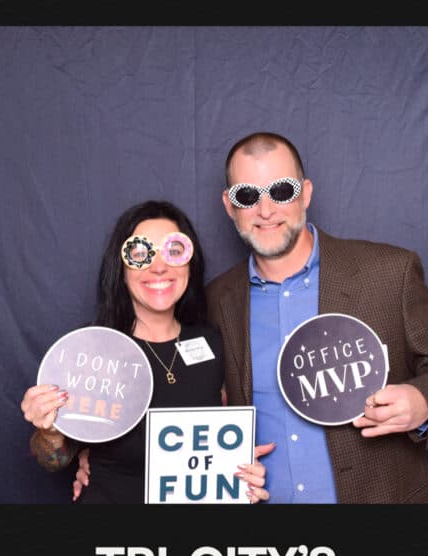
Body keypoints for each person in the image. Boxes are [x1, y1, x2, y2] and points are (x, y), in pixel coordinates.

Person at [204, 132, 428, 503]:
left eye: (281, 191)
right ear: (229, 204)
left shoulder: (388, 273)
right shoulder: (217, 300)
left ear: (305, 193)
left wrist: (423, 402)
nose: (266, 210)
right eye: (248, 195)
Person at [21, 200, 272, 503]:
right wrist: (48, 431)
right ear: (122, 268)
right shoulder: (89, 351)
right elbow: (53, 461)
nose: (159, 266)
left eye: (174, 251)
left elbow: (220, 447)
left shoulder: (213, 342)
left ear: (190, 264)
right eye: (140, 254)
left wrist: (243, 472)